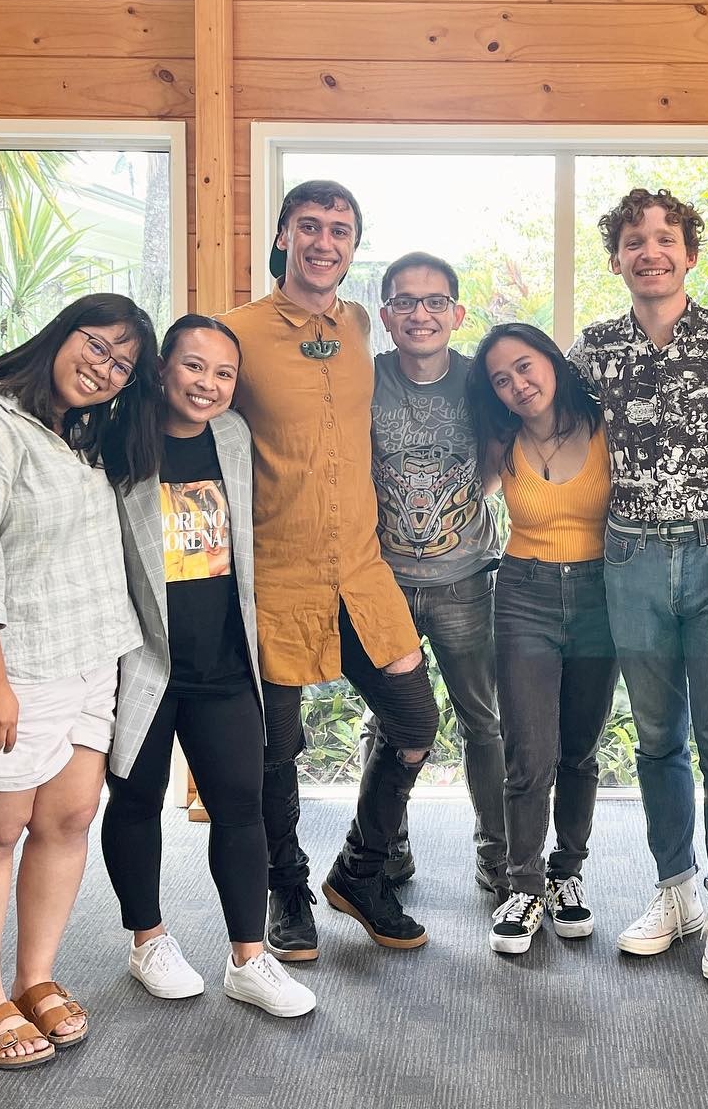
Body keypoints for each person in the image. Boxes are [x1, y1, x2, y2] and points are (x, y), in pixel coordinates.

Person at [0, 294, 158, 1070]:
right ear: (59, 334)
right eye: (97, 345)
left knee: (68, 820)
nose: (105, 369)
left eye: (122, 364)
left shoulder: (67, 432)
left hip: (85, 663)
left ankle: (34, 976)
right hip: (5, 668)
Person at [219, 180, 440, 961]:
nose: (324, 241)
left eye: (339, 229)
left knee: (415, 723)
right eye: (308, 226)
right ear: (282, 236)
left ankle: (361, 873)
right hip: (273, 578)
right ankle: (288, 890)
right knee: (276, 751)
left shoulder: (356, 325)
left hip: (361, 572)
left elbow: (438, 362)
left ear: (352, 246)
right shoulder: (235, 334)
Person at [568, 188, 708, 982]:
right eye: (633, 241)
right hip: (630, 557)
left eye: (665, 238)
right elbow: (552, 426)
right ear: (616, 257)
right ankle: (675, 889)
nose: (650, 251)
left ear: (690, 252)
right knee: (657, 740)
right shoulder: (593, 350)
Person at [101, 315, 314, 1019]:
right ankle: (147, 941)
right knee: (135, 802)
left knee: (241, 807)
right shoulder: (115, 440)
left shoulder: (232, 436)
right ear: (163, 369)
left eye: (224, 373)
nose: (209, 385)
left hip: (224, 662)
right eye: (195, 367)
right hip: (144, 661)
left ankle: (249, 960)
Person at [466, 324, 618, 956]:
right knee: (529, 750)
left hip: (600, 596)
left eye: (525, 367)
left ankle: (566, 873)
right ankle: (523, 884)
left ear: (553, 363)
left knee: (579, 750)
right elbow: (457, 493)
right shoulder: (501, 443)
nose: (518, 385)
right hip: (524, 594)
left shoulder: (608, 425)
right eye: (502, 379)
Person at [366, 252, 508, 900]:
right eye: (404, 301)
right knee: (390, 721)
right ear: (386, 314)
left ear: (456, 313)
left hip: (466, 579)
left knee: (484, 719)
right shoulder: (363, 381)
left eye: (432, 302)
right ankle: (383, 842)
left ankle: (497, 848)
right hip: (382, 581)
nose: (419, 314)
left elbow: (498, 463)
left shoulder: (483, 381)